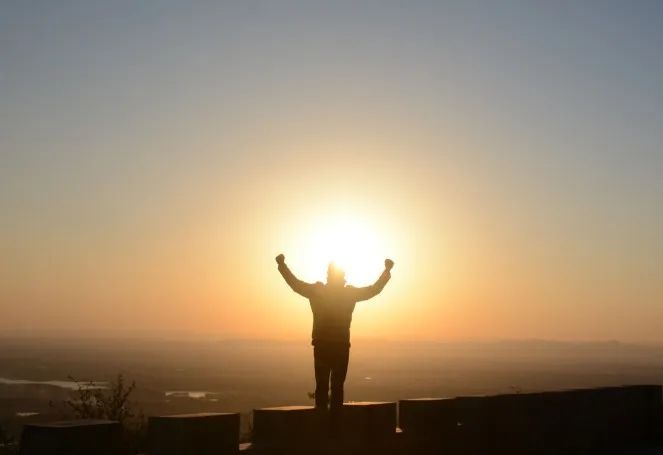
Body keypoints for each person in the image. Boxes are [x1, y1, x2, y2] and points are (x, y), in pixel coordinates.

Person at [275, 253, 393, 424]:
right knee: (336, 388)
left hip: (323, 346)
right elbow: (373, 290)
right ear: (343, 277)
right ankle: (334, 428)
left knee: (322, 387)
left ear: (328, 275)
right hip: (340, 347)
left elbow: (295, 285)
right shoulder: (348, 294)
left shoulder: (317, 291)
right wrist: (387, 271)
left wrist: (282, 265)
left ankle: (322, 427)